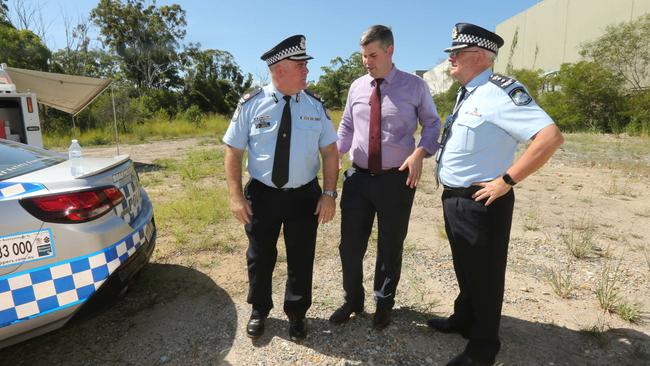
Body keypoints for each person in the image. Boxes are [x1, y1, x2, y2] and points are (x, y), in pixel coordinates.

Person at [429, 23, 564, 366]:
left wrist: (508, 179)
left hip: (482, 201)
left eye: (456, 55)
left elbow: (549, 137)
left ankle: (483, 348)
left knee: (486, 274)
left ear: (478, 56)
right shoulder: (469, 92)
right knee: (465, 265)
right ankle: (464, 319)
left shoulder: (501, 91)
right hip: (455, 198)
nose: (450, 62)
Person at [223, 34, 339, 342]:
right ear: (278, 69)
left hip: (304, 195)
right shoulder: (251, 104)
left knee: (301, 256)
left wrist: (329, 194)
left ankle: (297, 314)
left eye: (305, 65)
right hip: (262, 195)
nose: (306, 70)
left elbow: (330, 151)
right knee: (260, 255)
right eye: (300, 65)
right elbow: (233, 152)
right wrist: (235, 196)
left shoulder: (315, 105)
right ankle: (259, 309)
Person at [330, 25, 441, 330]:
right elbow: (347, 128)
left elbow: (432, 125)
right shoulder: (357, 87)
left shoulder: (414, 86)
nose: (367, 61)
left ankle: (384, 303)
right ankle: (352, 300)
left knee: (390, 245)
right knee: (349, 245)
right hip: (358, 179)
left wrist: (420, 153)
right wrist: (334, 156)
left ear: (390, 50)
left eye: (373, 55)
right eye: (364, 55)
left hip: (396, 179)